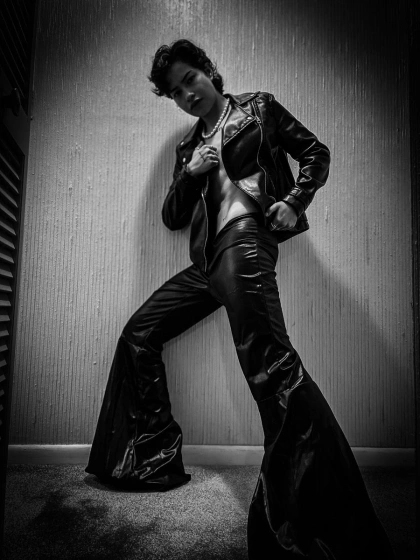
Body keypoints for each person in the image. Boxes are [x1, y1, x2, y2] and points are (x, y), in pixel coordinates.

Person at [86, 39, 395, 559]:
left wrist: (295, 200)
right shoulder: (189, 148)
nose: (187, 94)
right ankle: (149, 461)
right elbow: (172, 217)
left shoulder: (259, 108)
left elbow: (316, 152)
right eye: (175, 91)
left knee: (270, 366)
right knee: (139, 333)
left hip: (246, 240)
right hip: (209, 262)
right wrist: (191, 173)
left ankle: (312, 515)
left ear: (208, 71)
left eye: (190, 78)